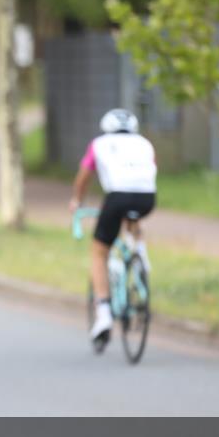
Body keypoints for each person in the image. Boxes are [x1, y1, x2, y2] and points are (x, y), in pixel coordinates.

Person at [69, 109, 156, 348]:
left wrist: (76, 200)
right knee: (131, 219)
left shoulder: (99, 144)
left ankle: (104, 313)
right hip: (147, 197)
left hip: (117, 196)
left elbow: (84, 176)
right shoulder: (144, 143)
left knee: (99, 251)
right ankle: (139, 253)